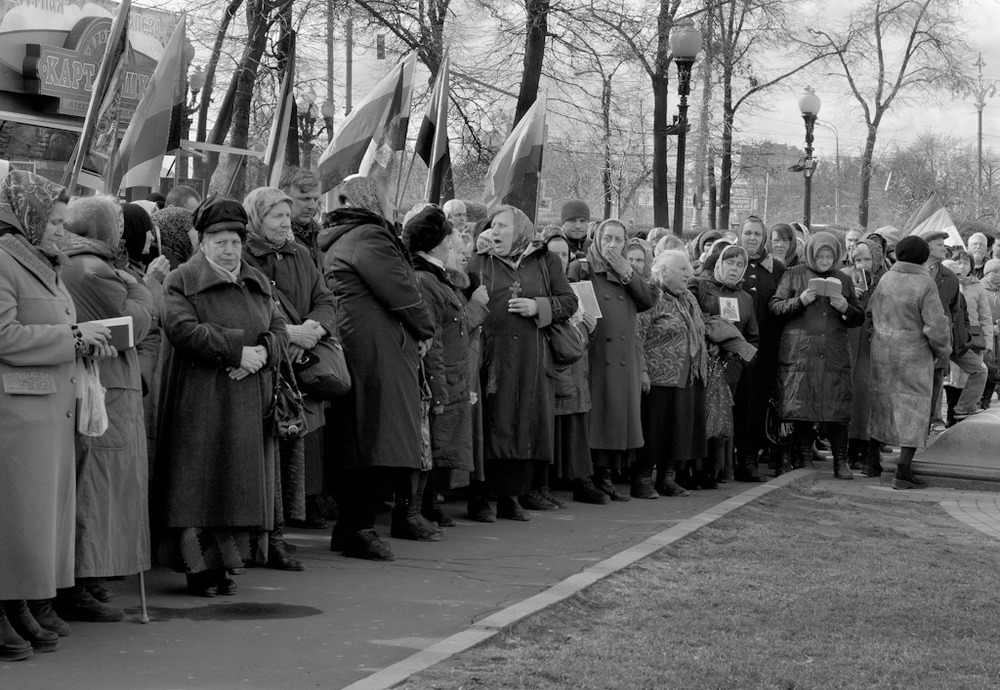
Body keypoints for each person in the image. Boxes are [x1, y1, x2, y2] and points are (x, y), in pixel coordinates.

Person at [0, 171, 115, 658]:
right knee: (17, 519)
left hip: (47, 415)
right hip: (17, 418)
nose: (57, 229)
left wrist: (85, 339)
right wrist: (71, 340)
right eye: (50, 220)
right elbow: (5, 336)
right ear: (24, 217)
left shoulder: (43, 262)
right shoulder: (5, 262)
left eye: (61, 221)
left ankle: (19, 600)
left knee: (39, 520)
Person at [155, 196, 288, 596]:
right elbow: (180, 329)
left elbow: (280, 327)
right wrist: (235, 351)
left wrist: (263, 352)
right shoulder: (180, 279)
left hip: (247, 398)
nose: (229, 249)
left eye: (235, 241)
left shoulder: (257, 280)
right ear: (202, 242)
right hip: (200, 398)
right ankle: (197, 570)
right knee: (198, 484)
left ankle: (227, 566)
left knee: (236, 484)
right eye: (219, 241)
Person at [319, 176, 436, 559]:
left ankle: (351, 527)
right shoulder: (371, 236)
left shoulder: (338, 235)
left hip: (356, 343)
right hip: (377, 350)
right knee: (379, 443)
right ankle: (358, 527)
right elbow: (402, 293)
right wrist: (426, 329)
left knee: (359, 440)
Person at [59, 197, 154, 621]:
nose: (121, 228)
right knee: (95, 487)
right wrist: (142, 284)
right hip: (104, 389)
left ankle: (90, 576)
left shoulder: (91, 265)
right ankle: (80, 581)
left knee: (101, 487)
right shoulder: (93, 269)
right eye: (115, 220)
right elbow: (136, 323)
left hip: (110, 386)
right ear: (100, 230)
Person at [242, 186, 339, 567]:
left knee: (289, 451)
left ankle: (277, 535)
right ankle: (259, 536)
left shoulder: (300, 253)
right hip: (261, 370)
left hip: (298, 370)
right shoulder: (246, 255)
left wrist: (315, 328)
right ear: (256, 219)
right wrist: (289, 334)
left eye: (286, 215)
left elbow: (326, 298)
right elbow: (249, 307)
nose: (285, 223)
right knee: (261, 455)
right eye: (276, 216)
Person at [470, 205, 578, 521]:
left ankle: (510, 497)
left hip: (531, 358)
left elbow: (569, 301)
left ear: (520, 231)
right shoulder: (481, 259)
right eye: (493, 225)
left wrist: (538, 306)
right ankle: (479, 497)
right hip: (490, 356)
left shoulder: (546, 261)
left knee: (523, 426)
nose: (496, 230)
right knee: (490, 424)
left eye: (503, 225)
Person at [404, 207, 484, 526]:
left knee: (443, 446)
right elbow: (433, 340)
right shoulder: (426, 279)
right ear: (436, 244)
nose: (455, 247)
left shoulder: (439, 279)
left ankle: (428, 505)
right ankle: (420, 507)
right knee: (431, 447)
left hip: (452, 376)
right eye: (450, 240)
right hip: (440, 378)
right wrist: (438, 392)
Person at [567, 220, 656, 501]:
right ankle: (588, 477)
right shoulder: (583, 267)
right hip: (594, 353)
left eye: (619, 240)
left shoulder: (626, 271)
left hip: (623, 355)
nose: (613, 245)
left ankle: (605, 475)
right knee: (597, 417)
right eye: (608, 238)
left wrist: (627, 271)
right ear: (597, 239)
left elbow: (649, 299)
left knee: (615, 415)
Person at [770, 232, 864, 480]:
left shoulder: (843, 278)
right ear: (811, 254)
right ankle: (804, 458)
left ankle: (840, 462)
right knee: (800, 405)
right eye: (820, 255)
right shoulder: (793, 274)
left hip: (834, 351)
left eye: (829, 255)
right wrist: (799, 301)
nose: (824, 260)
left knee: (837, 407)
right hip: (801, 352)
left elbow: (858, 316)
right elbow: (775, 306)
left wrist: (845, 307)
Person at [868, 236, 951, 488]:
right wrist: (943, 350)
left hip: (882, 352)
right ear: (924, 256)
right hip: (913, 356)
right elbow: (935, 326)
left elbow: (872, 310)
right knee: (913, 408)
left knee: (882, 402)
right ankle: (903, 470)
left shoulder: (886, 278)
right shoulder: (924, 282)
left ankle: (871, 461)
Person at [636, 251, 709, 497]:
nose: (689, 275)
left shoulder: (688, 298)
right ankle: (643, 478)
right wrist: (642, 371)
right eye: (682, 270)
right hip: (658, 377)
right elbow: (638, 335)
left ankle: (666, 479)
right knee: (654, 430)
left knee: (677, 430)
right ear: (663, 271)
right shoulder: (651, 296)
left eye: (689, 271)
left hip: (686, 376)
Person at [542, 230, 605, 504]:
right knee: (550, 429)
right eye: (553, 254)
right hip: (553, 371)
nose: (559, 259)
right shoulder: (538, 288)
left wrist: (590, 331)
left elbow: (583, 339)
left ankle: (581, 481)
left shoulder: (578, 289)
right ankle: (543, 485)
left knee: (576, 429)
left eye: (564, 254)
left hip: (577, 372)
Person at [691, 244, 759, 483]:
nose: (734, 268)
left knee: (722, 420)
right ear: (719, 263)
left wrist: (736, 359)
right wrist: (709, 341)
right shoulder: (702, 288)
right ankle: (694, 471)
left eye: (740, 264)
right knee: (699, 417)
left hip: (730, 370)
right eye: (730, 262)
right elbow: (693, 320)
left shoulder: (746, 298)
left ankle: (717, 471)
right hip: (702, 364)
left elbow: (752, 337)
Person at [733, 215, 786, 481]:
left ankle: (749, 457)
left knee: (754, 403)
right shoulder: (726, 259)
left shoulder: (775, 268)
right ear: (739, 234)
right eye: (747, 233)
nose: (752, 238)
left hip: (763, 350)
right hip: (730, 348)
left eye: (757, 234)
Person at [921, 229, 966, 434]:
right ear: (927, 246)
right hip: (916, 340)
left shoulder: (950, 278)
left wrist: (951, 341)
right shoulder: (913, 272)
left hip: (939, 342)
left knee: (937, 381)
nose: (944, 248)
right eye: (939, 244)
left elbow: (955, 311)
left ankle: (932, 421)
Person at [846, 239, 883, 475]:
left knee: (867, 395)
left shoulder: (883, 282)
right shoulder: (845, 279)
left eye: (867, 259)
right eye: (858, 260)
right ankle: (849, 447)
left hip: (871, 345)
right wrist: (852, 296)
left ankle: (865, 445)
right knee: (849, 393)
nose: (863, 265)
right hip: (849, 342)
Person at [943, 250, 991, 422]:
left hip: (961, 345)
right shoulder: (936, 292)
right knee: (944, 385)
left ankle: (963, 408)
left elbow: (977, 318)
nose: (959, 274)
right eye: (954, 273)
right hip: (939, 345)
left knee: (980, 370)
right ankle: (936, 421)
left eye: (961, 269)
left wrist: (966, 338)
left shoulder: (966, 292)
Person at [279, 166, 322, 266]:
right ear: (284, 198)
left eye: (315, 199)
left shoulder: (322, 234)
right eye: (305, 199)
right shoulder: (274, 238)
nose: (313, 206)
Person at [980, 259, 1000, 408]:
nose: (998, 275)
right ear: (987, 273)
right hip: (985, 334)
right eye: (995, 271)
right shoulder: (979, 288)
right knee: (987, 367)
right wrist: (989, 327)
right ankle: (984, 400)